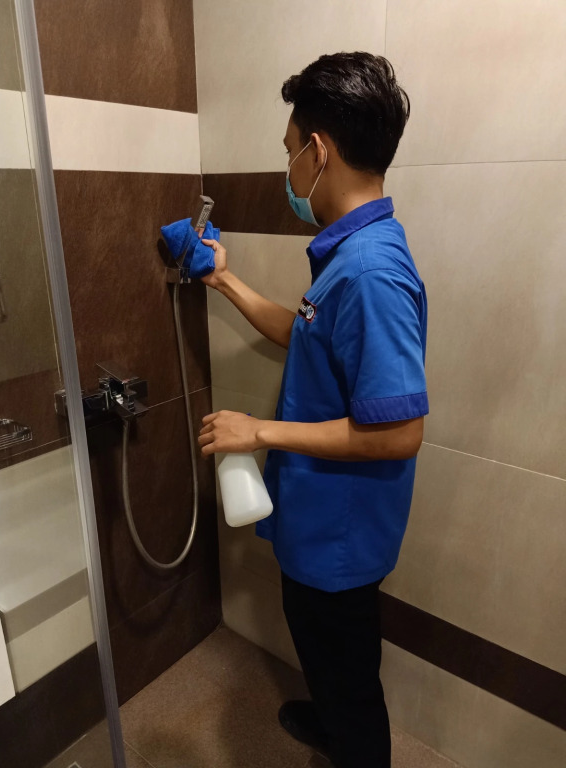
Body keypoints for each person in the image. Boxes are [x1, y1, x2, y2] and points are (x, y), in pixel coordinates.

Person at [198, 52, 428, 768]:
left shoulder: (370, 272)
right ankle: (332, 720)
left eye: (290, 150)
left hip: (340, 534)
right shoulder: (348, 253)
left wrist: (257, 430)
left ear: (318, 152)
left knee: (348, 674)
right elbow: (304, 332)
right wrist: (225, 280)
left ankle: (350, 741)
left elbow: (400, 434)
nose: (289, 170)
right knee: (326, 651)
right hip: (320, 518)